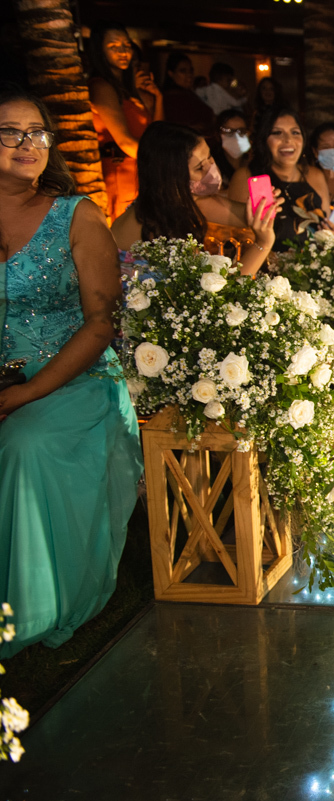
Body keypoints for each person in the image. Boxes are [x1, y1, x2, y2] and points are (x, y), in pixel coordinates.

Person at [0, 85, 142, 657]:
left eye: (37, 132)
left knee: (25, 443)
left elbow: (102, 323)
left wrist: (27, 392)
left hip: (75, 378)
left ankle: (28, 609)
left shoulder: (75, 216)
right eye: (10, 132)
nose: (27, 143)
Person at [111, 122, 278, 276]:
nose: (210, 168)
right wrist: (263, 244)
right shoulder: (154, 225)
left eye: (209, 157)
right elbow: (222, 291)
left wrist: (267, 203)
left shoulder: (185, 200)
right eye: (199, 168)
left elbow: (251, 216)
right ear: (171, 178)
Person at [87, 22, 163, 221]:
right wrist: (165, 162)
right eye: (113, 46)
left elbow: (157, 133)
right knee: (126, 233)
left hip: (141, 172)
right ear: (99, 50)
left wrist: (158, 98)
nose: (123, 51)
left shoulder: (128, 90)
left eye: (127, 45)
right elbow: (125, 141)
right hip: (121, 173)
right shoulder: (101, 87)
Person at [230, 107, 330, 251]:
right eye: (277, 133)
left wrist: (333, 237)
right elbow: (240, 240)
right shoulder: (247, 177)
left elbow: (325, 228)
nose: (288, 140)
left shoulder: (315, 175)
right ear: (264, 139)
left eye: (295, 132)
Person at [159, 51, 215, 137]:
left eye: (191, 70)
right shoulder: (169, 98)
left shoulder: (190, 94)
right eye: (183, 71)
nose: (189, 74)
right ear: (171, 73)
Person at [212, 108, 251, 189]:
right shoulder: (212, 166)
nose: (236, 137)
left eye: (241, 131)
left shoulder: (255, 163)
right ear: (218, 135)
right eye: (228, 131)